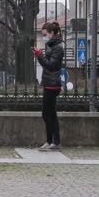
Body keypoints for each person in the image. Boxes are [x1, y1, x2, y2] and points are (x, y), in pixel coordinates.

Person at [31, 22, 64, 151]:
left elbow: (51, 65)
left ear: (52, 33)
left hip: (52, 85)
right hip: (49, 83)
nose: (43, 37)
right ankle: (52, 141)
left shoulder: (57, 48)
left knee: (48, 114)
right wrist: (39, 55)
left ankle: (54, 141)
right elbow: (48, 64)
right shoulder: (51, 45)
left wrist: (39, 55)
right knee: (49, 114)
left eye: (45, 35)